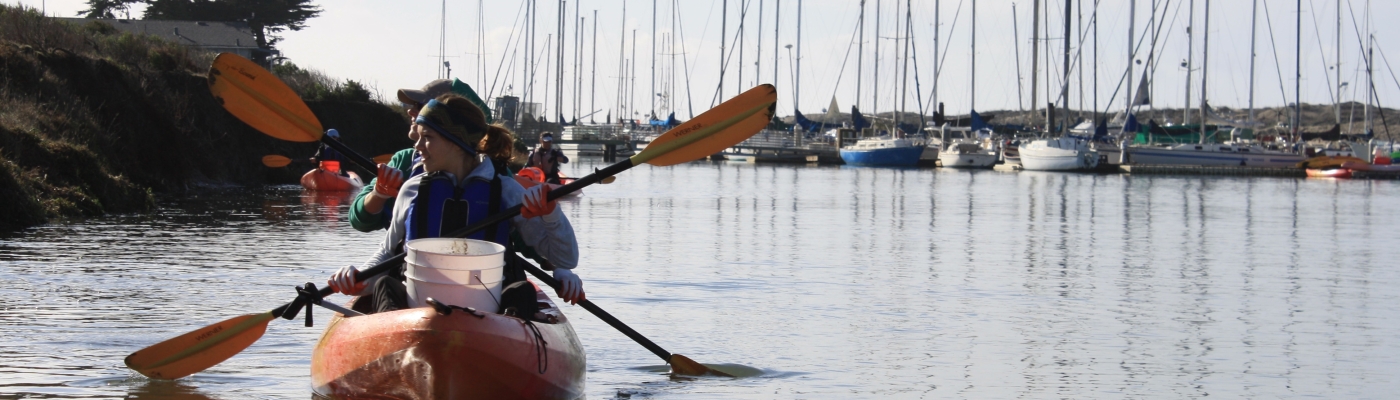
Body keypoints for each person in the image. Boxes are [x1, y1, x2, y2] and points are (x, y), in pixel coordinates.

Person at [327, 94, 585, 312]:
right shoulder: (412, 189)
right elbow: (387, 253)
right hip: (416, 310)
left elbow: (566, 258)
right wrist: (359, 275)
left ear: (456, 142)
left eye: (426, 137)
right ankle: (395, 353)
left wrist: (551, 214)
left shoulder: (505, 191)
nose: (418, 147)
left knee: (521, 292)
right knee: (384, 284)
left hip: (488, 311)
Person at [348, 79, 455, 233]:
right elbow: (359, 220)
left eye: (420, 106)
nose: (410, 111)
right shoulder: (404, 160)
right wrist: (378, 194)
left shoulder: (485, 170)